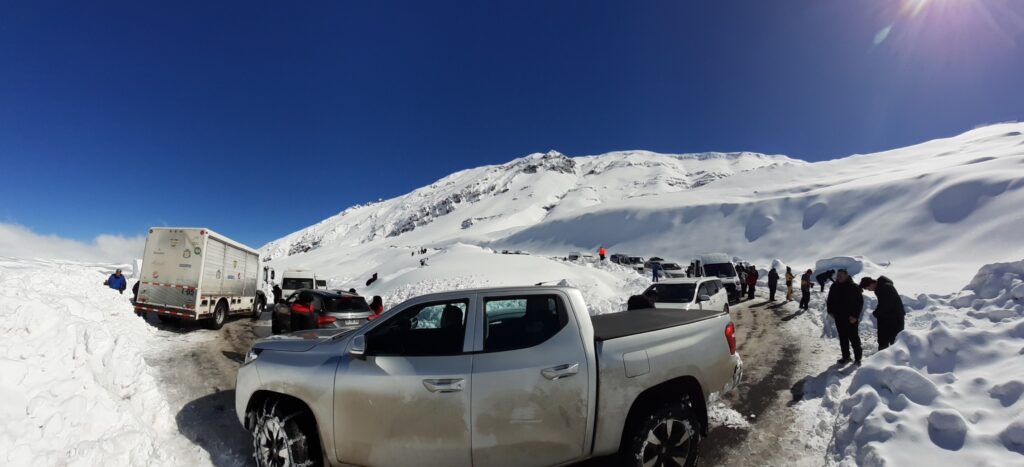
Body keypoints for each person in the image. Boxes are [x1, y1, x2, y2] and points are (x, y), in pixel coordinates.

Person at [827, 269, 864, 365]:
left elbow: (859, 303)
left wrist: (855, 316)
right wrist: (830, 311)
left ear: (846, 276)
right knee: (843, 338)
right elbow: (830, 299)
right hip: (839, 317)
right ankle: (846, 357)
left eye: (841, 275)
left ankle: (858, 358)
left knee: (854, 338)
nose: (838, 277)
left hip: (850, 318)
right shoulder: (834, 286)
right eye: (837, 275)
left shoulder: (854, 287)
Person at [860, 276, 906, 351]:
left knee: (893, 341)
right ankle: (885, 358)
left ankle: (887, 360)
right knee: (886, 340)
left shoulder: (885, 288)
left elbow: (886, 304)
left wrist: (876, 313)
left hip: (894, 318)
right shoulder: (881, 287)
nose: (869, 290)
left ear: (871, 284)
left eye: (868, 288)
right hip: (890, 317)